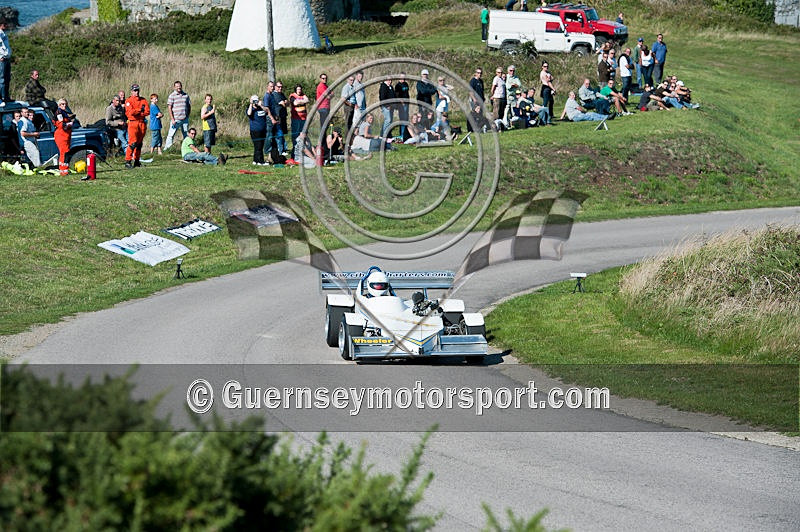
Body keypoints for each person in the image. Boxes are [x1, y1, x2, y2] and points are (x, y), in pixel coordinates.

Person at [124, 83, 149, 169]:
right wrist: (139, 110)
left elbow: (147, 111)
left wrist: (137, 112)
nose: (136, 92)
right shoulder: (128, 100)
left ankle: (137, 161)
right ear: (131, 91)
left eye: (137, 90)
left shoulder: (143, 100)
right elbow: (130, 112)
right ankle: (127, 161)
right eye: (134, 90)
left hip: (142, 122)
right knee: (132, 143)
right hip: (133, 123)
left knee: (139, 143)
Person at [165, 81, 191, 151]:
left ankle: (187, 148)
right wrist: (172, 119)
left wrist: (187, 116)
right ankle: (167, 149)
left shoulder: (186, 95)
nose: (178, 87)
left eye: (179, 86)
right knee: (171, 134)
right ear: (174, 87)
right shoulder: (172, 96)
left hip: (184, 119)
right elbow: (169, 108)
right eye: (177, 86)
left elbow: (189, 106)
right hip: (176, 119)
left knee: (186, 134)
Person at [246, 94, 268, 165]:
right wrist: (251, 104)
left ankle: (255, 160)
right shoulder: (251, 109)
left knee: (260, 146)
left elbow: (267, 111)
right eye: (254, 100)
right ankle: (260, 161)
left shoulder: (260, 108)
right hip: (255, 130)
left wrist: (261, 105)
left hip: (263, 130)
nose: (256, 102)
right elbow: (249, 113)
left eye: (256, 100)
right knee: (258, 145)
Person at [54, 99, 74, 175]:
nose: (64, 105)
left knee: (66, 152)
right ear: (59, 105)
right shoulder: (59, 112)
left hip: (66, 135)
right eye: (62, 104)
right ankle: (63, 170)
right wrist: (70, 124)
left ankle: (63, 169)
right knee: (64, 152)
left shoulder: (64, 113)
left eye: (65, 104)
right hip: (61, 135)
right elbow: (62, 125)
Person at [289, 84, 309, 155]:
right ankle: (295, 150)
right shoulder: (292, 96)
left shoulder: (303, 95)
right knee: (296, 134)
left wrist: (300, 101)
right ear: (295, 90)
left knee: (304, 134)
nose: (299, 91)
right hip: (296, 118)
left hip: (303, 118)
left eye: (300, 89)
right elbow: (295, 103)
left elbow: (307, 100)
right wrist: (302, 101)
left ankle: (303, 150)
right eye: (298, 89)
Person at [273, 81, 289, 155]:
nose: (280, 88)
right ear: (275, 87)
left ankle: (284, 149)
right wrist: (284, 103)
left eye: (281, 87)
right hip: (278, 116)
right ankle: (281, 150)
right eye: (279, 87)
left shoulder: (281, 94)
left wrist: (285, 102)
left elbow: (287, 103)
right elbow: (283, 103)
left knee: (283, 132)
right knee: (279, 133)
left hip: (283, 116)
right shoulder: (275, 94)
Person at [394, 73, 410, 140]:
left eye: (404, 77)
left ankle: (406, 134)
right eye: (401, 77)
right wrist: (401, 102)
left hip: (407, 103)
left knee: (406, 119)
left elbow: (407, 93)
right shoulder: (397, 86)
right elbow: (397, 96)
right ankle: (402, 134)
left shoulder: (406, 84)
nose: (403, 79)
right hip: (401, 105)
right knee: (402, 119)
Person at [0, 18, 11, 103]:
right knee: (2, 79)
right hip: (2, 59)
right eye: (5, 24)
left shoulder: (3, 33)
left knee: (7, 78)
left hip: (7, 58)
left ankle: (6, 96)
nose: (6, 26)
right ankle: (2, 97)